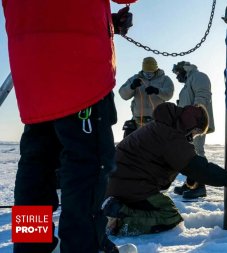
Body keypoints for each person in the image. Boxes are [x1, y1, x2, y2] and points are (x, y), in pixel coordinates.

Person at [3, 0, 136, 252]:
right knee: (84, 173)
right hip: (80, 71)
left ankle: (30, 247)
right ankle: (84, 246)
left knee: (36, 173)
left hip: (31, 69)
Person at [102, 102, 227, 236]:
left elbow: (177, 159)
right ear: (192, 125)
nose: (192, 137)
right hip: (130, 186)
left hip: (119, 184)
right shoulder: (170, 135)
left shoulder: (163, 126)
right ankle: (118, 221)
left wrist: (192, 173)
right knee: (169, 215)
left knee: (160, 206)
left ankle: (117, 209)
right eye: (195, 132)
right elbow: (200, 169)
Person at [171, 61, 215, 199]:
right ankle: (191, 183)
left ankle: (200, 186)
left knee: (197, 153)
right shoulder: (189, 82)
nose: (177, 77)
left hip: (197, 123)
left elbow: (203, 95)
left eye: (177, 73)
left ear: (183, 69)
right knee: (190, 154)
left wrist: (196, 115)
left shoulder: (198, 76)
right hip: (188, 124)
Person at [119, 56, 174, 137]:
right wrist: (132, 86)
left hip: (157, 122)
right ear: (142, 70)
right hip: (138, 122)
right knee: (135, 146)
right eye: (146, 72)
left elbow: (169, 94)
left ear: (156, 70)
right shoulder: (135, 78)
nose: (148, 74)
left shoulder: (165, 79)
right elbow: (123, 95)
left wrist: (157, 91)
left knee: (155, 147)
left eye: (151, 72)